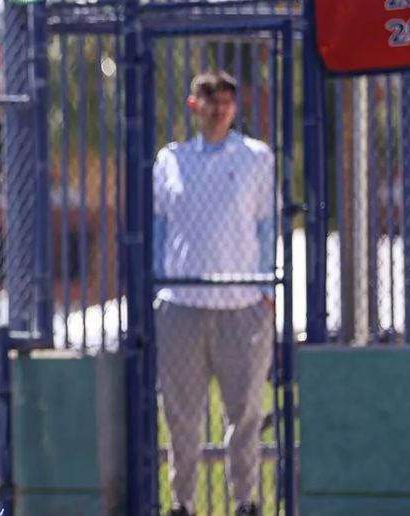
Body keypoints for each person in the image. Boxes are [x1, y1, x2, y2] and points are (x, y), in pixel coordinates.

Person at [152, 71, 275, 516]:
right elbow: (158, 228)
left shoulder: (256, 157)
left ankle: (245, 502)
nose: (219, 108)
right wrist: (159, 285)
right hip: (181, 305)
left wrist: (266, 290)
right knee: (181, 415)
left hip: (242, 305)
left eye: (226, 100)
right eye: (210, 99)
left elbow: (267, 227)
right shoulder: (171, 159)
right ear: (193, 105)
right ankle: (181, 503)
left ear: (235, 107)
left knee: (246, 414)